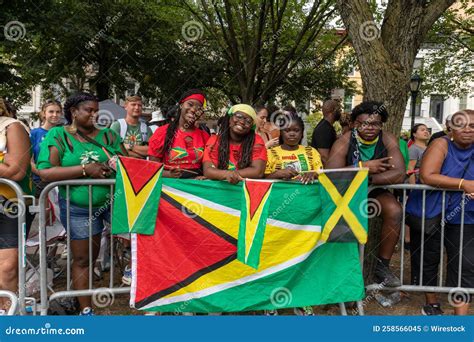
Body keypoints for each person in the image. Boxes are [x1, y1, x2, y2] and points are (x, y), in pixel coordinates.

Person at [37, 93, 126, 315]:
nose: (95, 114)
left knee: (139, 246)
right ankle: (86, 311)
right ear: (74, 112)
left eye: (97, 110)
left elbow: (128, 166)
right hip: (80, 207)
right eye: (89, 110)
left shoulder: (108, 136)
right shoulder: (59, 135)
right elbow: (46, 172)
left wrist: (114, 166)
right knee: (84, 259)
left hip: (114, 202)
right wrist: (86, 170)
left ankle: (151, 303)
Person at [327, 101, 405, 287]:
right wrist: (364, 167)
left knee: (394, 210)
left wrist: (367, 179)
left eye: (375, 124)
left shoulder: (388, 139)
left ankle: (382, 266)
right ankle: (340, 275)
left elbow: (399, 173)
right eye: (364, 124)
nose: (370, 128)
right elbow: (331, 173)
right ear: (354, 124)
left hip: (372, 187)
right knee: (345, 230)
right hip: (346, 192)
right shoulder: (345, 140)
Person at [406, 109, 474, 316]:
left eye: (472, 126)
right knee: (428, 258)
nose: (468, 129)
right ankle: (432, 303)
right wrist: (464, 184)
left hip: (466, 215)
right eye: (461, 124)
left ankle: (460, 317)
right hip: (432, 212)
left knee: (465, 263)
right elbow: (427, 176)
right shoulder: (441, 144)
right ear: (450, 128)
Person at [0, 98, 34, 314]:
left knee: (7, 268)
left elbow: (16, 171)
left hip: (10, 205)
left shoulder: (11, 126)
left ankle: (7, 316)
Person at [148, 89, 210, 179]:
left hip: (195, 186)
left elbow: (208, 167)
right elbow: (152, 169)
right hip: (170, 187)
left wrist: (203, 176)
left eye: (199, 108)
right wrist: (168, 174)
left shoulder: (205, 136)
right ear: (181, 105)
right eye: (190, 104)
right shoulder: (162, 132)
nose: (193, 110)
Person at [203, 104, 267, 183]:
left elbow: (258, 172)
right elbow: (208, 170)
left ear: (251, 127)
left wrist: (228, 175)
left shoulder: (256, 140)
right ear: (229, 119)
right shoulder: (215, 140)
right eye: (238, 116)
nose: (242, 122)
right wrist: (227, 174)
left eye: (248, 121)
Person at [30, 100, 63, 196]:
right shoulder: (34, 133)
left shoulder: (64, 132)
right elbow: (29, 160)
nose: (55, 115)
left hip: (61, 180)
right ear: (44, 113)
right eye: (51, 111)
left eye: (58, 112)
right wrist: (43, 174)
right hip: (39, 182)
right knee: (43, 210)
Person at [110, 95, 152, 159]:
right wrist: (140, 154)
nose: (137, 108)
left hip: (140, 167)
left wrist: (130, 146)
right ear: (125, 106)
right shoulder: (117, 126)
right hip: (120, 167)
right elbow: (114, 150)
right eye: (133, 104)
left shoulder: (146, 129)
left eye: (139, 105)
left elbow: (150, 151)